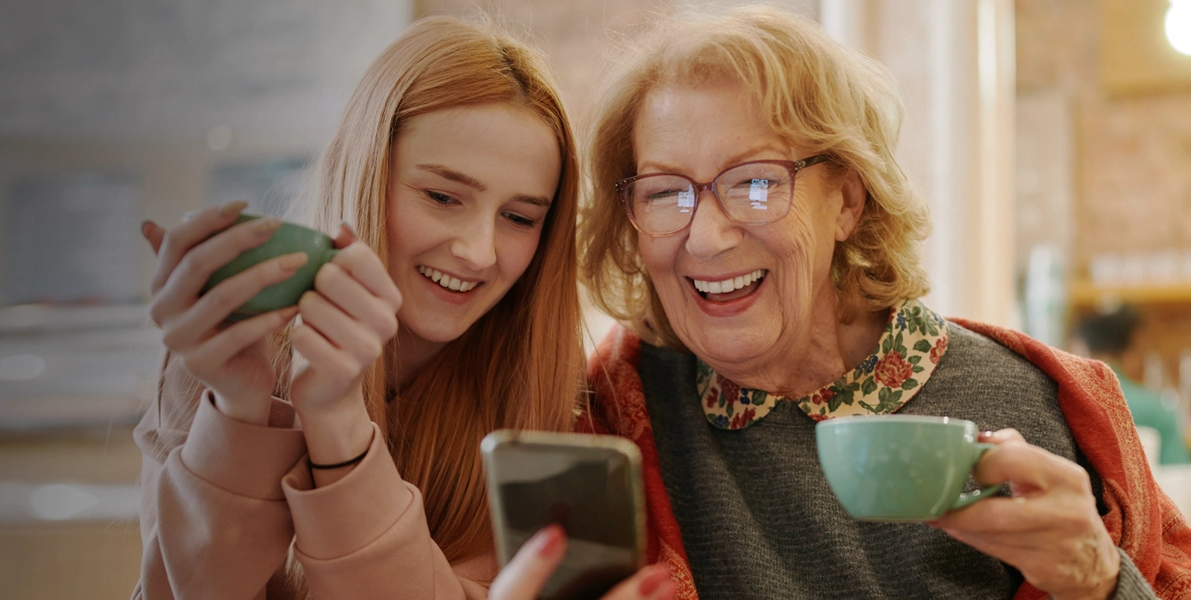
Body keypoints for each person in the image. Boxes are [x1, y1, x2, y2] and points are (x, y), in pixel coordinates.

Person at [497, 6, 1191, 600]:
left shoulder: (1036, 401)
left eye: (757, 183)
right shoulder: (615, 409)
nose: (704, 237)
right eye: (665, 192)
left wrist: (1103, 581)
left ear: (848, 202)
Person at [133, 16, 598, 599]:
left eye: (519, 218)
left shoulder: (554, 396)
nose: (479, 252)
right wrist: (239, 410)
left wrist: (338, 420)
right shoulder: (222, 351)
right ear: (365, 174)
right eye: (441, 197)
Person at [1077, 305, 1191, 465]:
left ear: (1082, 349)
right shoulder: (1157, 410)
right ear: (1131, 351)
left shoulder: (1071, 401)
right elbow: (1176, 472)